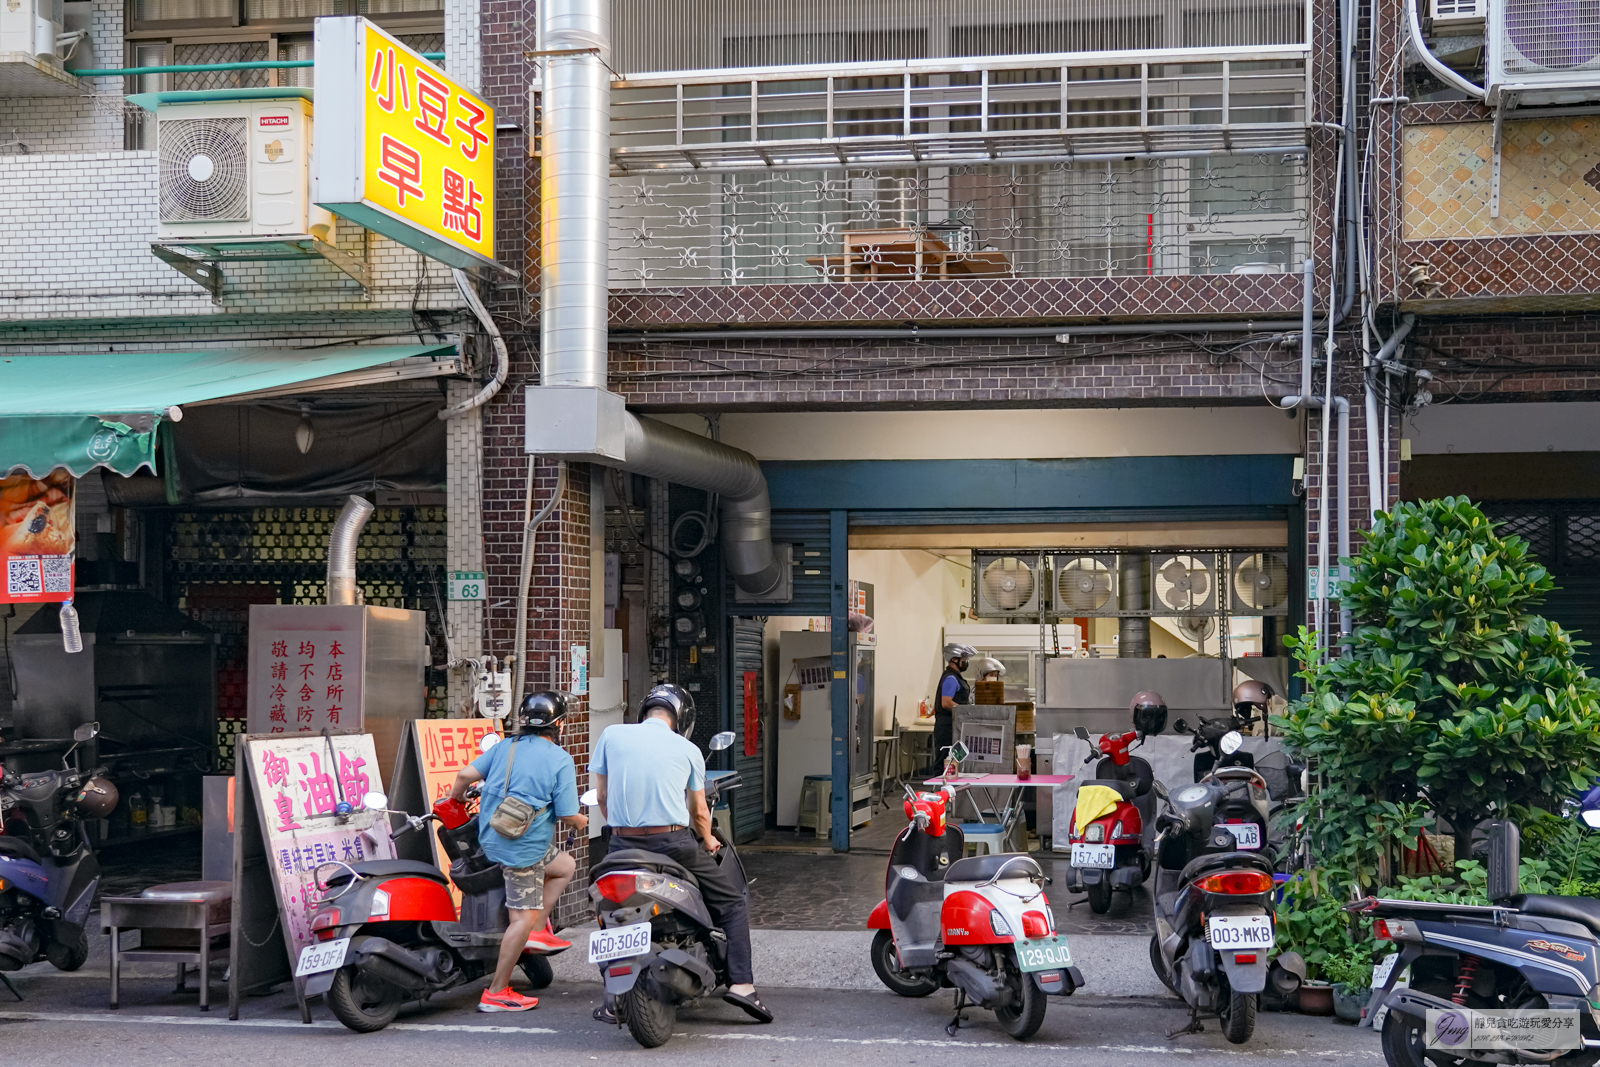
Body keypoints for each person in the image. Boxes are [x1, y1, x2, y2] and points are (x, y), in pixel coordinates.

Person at [591, 683, 772, 1024]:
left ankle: (613, 995)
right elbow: (700, 812)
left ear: (645, 710)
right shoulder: (686, 748)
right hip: (670, 844)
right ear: (682, 718)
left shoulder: (610, 735)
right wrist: (709, 840)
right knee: (731, 902)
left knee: (609, 910)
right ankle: (743, 985)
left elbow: (602, 796)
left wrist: (621, 826)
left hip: (619, 845)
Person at [449, 691, 587, 1013]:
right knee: (521, 917)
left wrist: (456, 799)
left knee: (565, 864)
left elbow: (464, 776)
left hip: (492, 839)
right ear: (560, 725)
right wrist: (581, 821)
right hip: (522, 850)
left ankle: (539, 930)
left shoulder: (505, 746)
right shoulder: (560, 759)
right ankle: (496, 991)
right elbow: (568, 814)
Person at [930, 643, 976, 772]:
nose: (966, 663)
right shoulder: (951, 678)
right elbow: (946, 702)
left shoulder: (956, 678)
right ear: (953, 660)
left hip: (954, 724)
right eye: (964, 660)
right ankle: (940, 789)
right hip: (946, 726)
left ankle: (951, 789)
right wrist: (966, 711)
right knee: (944, 760)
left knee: (954, 760)